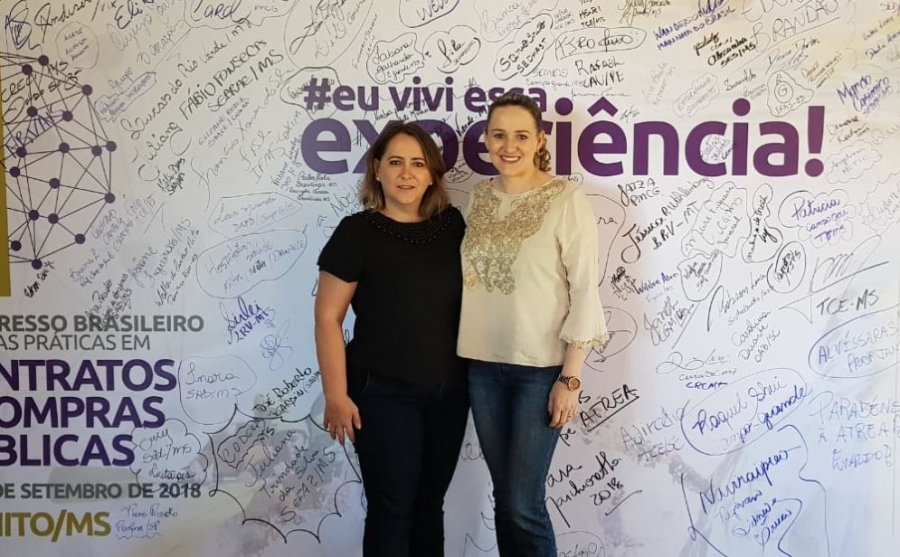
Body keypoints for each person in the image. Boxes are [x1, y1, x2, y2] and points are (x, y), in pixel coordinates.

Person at [458, 92, 610, 555]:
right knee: (506, 500)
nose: (509, 146)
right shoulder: (478, 198)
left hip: (541, 372)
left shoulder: (566, 199)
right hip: (482, 368)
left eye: (521, 136)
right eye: (499, 135)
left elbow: (584, 289)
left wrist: (571, 378)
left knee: (524, 504)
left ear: (540, 140)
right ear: (486, 139)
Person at [314, 121, 469, 557]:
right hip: (382, 395)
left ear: (432, 175)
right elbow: (327, 318)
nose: (406, 173)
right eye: (396, 162)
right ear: (377, 170)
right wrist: (335, 395)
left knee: (429, 508)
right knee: (392, 511)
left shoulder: (452, 226)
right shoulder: (356, 232)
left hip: (449, 395)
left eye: (418, 164)